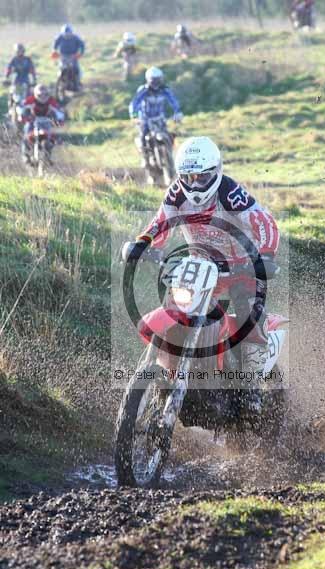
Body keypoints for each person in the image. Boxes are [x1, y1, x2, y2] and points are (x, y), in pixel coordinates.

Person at [122, 136, 279, 367]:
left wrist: (266, 256)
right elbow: (159, 223)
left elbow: (264, 222)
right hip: (200, 267)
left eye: (202, 177)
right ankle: (164, 363)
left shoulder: (230, 193)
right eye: (188, 177)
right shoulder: (176, 193)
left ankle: (251, 380)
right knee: (174, 304)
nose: (194, 185)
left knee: (249, 314)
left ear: (215, 171)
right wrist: (142, 244)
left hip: (240, 267)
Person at [129, 66, 183, 179]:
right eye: (154, 80)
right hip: (145, 119)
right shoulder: (143, 90)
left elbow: (173, 101)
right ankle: (145, 158)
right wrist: (134, 116)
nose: (156, 82)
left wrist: (177, 112)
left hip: (160, 119)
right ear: (148, 79)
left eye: (158, 79)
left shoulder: (165, 90)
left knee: (168, 137)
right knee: (143, 136)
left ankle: (170, 157)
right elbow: (134, 103)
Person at [21, 84, 64, 164]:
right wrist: (23, 115)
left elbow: (59, 112)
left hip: (47, 122)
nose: (43, 97)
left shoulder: (51, 101)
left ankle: (48, 156)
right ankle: (25, 155)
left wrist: (59, 119)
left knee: (54, 136)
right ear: (35, 94)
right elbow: (22, 109)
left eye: (45, 94)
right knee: (26, 132)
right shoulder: (30, 100)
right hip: (33, 122)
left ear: (48, 94)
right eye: (40, 95)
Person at [52, 24, 85, 88]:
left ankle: (78, 81)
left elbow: (82, 45)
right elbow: (55, 45)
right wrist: (54, 51)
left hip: (73, 56)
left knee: (76, 68)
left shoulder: (76, 38)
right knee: (61, 67)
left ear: (71, 33)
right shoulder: (59, 37)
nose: (67, 35)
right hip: (63, 56)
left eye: (68, 33)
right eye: (65, 34)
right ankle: (61, 80)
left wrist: (81, 53)